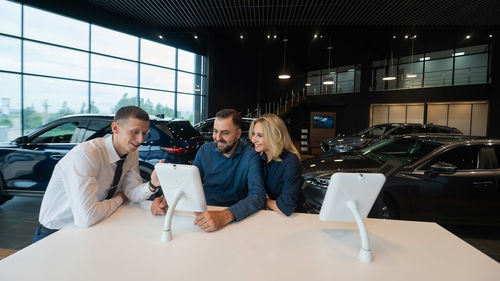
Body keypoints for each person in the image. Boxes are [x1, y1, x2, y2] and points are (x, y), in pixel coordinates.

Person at [34, 106, 162, 242]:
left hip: (95, 227)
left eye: (144, 133)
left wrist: (152, 185)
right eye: (135, 132)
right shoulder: (86, 155)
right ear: (115, 128)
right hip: (56, 233)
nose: (141, 140)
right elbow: (86, 217)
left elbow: (131, 192)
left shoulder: (131, 153)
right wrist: (120, 198)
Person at [151, 109, 266, 232]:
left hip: (235, 216)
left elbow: (257, 196)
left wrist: (225, 216)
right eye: (215, 131)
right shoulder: (205, 150)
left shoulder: (251, 156)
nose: (217, 137)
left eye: (225, 133)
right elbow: (189, 184)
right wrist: (167, 199)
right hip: (204, 212)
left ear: (238, 134)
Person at [249, 114, 305, 216]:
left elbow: (285, 207)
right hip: (272, 214)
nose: (253, 140)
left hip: (295, 218)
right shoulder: (260, 156)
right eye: (253, 134)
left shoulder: (290, 161)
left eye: (260, 135)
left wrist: (261, 200)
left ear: (275, 137)